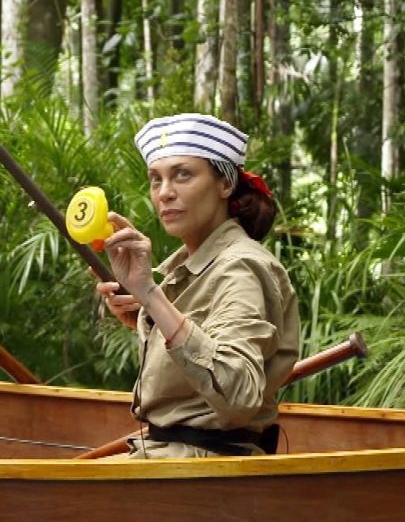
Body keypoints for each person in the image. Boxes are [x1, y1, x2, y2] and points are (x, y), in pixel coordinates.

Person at [96, 112, 300, 459]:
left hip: (203, 468)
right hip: (165, 457)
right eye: (155, 179)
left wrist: (151, 294)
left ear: (225, 184)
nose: (165, 193)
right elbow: (200, 347)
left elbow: (238, 394)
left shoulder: (241, 267)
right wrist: (144, 314)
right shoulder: (195, 266)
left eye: (183, 174)